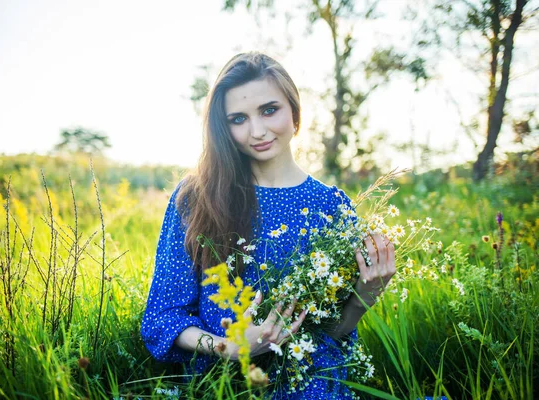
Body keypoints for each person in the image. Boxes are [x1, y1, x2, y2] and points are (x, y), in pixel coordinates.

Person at [140, 52, 396, 399]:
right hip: (224, 386)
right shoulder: (197, 197)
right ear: (223, 126)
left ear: (295, 112)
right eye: (238, 119)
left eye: (269, 110)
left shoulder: (332, 207)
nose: (257, 131)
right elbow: (163, 316)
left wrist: (366, 295)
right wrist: (227, 347)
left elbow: (332, 333)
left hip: (311, 387)